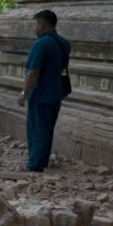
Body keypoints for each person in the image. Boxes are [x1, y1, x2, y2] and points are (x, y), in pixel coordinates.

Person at [18, 10, 71, 172]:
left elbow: (34, 72)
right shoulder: (63, 43)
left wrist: (23, 93)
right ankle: (43, 160)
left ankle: (35, 163)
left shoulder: (41, 44)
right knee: (47, 128)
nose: (35, 28)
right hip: (56, 92)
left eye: (36, 24)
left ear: (42, 23)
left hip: (40, 93)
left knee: (37, 129)